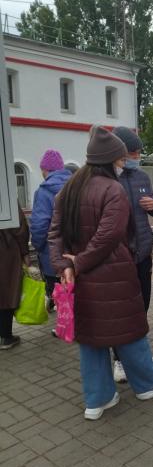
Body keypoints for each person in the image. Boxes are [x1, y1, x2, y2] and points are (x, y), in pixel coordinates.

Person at [48, 125, 153, 420]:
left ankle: (98, 400)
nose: (125, 163)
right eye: (122, 159)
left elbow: (53, 233)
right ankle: (149, 384)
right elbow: (108, 237)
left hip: (80, 281)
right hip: (113, 275)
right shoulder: (112, 189)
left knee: (91, 339)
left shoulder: (68, 188)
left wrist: (65, 266)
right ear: (111, 159)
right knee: (129, 332)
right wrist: (78, 263)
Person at [111, 126, 153, 381]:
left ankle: (140, 355)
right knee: (121, 312)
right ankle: (119, 361)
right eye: (131, 152)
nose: (136, 157)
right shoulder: (108, 179)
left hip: (143, 253)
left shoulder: (142, 176)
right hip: (120, 257)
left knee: (143, 307)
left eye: (138, 152)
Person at [30, 149, 72, 311]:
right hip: (75, 251)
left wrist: (38, 245)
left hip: (52, 252)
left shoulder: (43, 192)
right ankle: (77, 323)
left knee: (57, 289)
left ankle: (65, 326)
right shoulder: (75, 186)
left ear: (45, 170)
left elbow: (39, 225)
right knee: (72, 287)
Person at [0, 204, 30, 350]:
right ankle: (5, 336)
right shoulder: (6, 194)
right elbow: (20, 228)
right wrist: (25, 252)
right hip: (6, 251)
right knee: (7, 291)